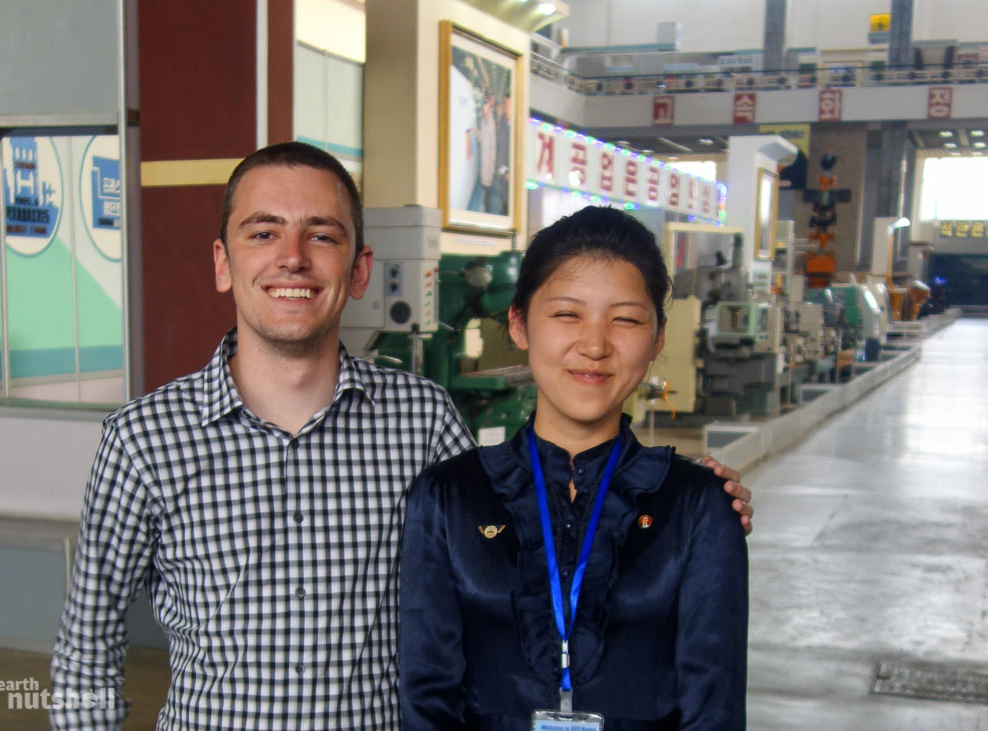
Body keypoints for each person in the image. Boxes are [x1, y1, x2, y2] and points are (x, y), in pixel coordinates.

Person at [50, 143, 752, 729]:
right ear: (222, 261)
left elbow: (533, 539)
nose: (292, 258)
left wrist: (688, 508)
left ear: (359, 268)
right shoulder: (143, 441)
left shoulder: (422, 422)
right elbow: (86, 650)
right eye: (262, 232)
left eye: (322, 235)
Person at [400, 206, 748, 729]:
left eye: (625, 319)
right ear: (519, 324)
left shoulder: (698, 505)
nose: (594, 345)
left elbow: (713, 707)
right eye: (567, 314)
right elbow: (426, 698)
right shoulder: (447, 496)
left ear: (657, 338)